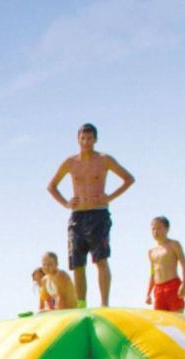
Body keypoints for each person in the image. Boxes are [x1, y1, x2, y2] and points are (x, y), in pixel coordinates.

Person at [47, 123, 135, 308]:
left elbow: (129, 179)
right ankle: (81, 305)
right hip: (77, 215)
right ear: (78, 140)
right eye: (82, 138)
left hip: (98, 214)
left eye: (89, 138)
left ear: (95, 139)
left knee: (100, 259)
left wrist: (109, 196)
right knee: (78, 264)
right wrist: (65, 203)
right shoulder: (70, 163)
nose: (86, 142)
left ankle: (104, 304)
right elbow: (51, 186)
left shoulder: (104, 160)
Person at [146, 216, 185, 313]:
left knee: (178, 319)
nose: (155, 232)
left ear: (167, 229)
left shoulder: (174, 244)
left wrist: (184, 284)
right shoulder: (151, 251)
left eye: (159, 228)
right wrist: (148, 293)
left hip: (173, 286)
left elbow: (184, 265)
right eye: (153, 229)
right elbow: (153, 273)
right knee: (162, 321)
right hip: (158, 290)